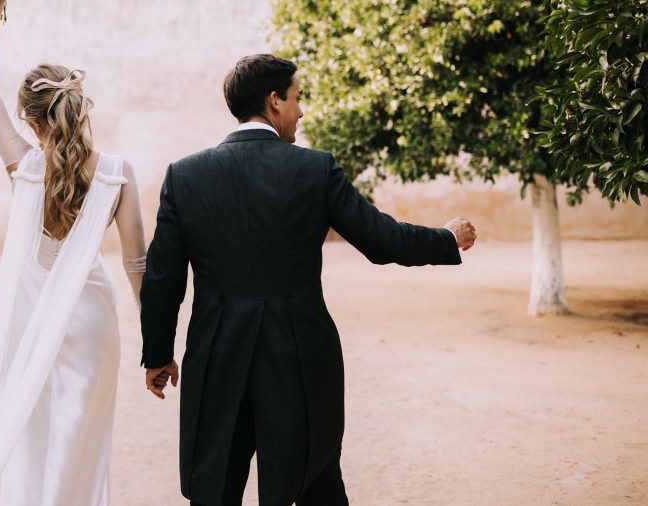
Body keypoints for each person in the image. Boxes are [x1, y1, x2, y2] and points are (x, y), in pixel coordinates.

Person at [140, 53, 477, 506]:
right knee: (314, 486)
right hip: (298, 357)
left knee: (214, 490)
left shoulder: (185, 175)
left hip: (218, 356)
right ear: (274, 101)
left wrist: (159, 355)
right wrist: (446, 239)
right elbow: (381, 240)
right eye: (297, 99)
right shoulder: (315, 169)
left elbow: (163, 276)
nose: (301, 111)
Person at [0, 0, 147, 505]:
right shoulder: (117, 173)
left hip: (29, 316)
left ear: (28, 118)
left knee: (28, 437)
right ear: (78, 107)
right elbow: (137, 264)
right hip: (89, 321)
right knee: (78, 439)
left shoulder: (22, 165)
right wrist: (156, 346)